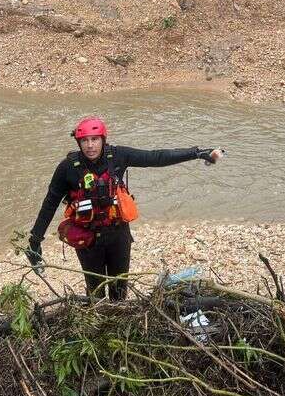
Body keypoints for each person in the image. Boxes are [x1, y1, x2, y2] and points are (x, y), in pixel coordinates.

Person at [26, 118, 222, 301]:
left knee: (119, 288)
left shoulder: (118, 156)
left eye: (95, 139)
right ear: (78, 143)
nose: (90, 145)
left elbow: (155, 157)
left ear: (103, 140)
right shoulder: (68, 167)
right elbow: (50, 203)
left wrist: (196, 153)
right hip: (88, 240)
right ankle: (97, 318)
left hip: (118, 235)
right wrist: (35, 241)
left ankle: (118, 319)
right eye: (85, 141)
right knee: (95, 289)